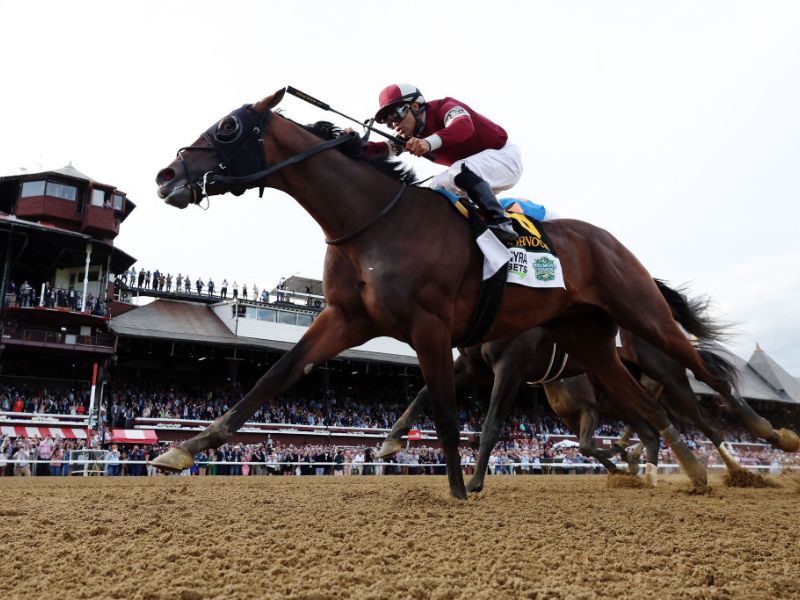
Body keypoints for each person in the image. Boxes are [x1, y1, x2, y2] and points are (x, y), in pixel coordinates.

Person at [370, 83, 521, 243]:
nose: (394, 124)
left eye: (396, 114)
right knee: (433, 189)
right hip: (474, 173)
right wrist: (350, 142)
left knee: (459, 170)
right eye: (388, 121)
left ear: (415, 106)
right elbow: (380, 150)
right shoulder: (408, 135)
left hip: (505, 157)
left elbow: (464, 126)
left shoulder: (444, 107)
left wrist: (428, 143)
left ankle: (501, 222)